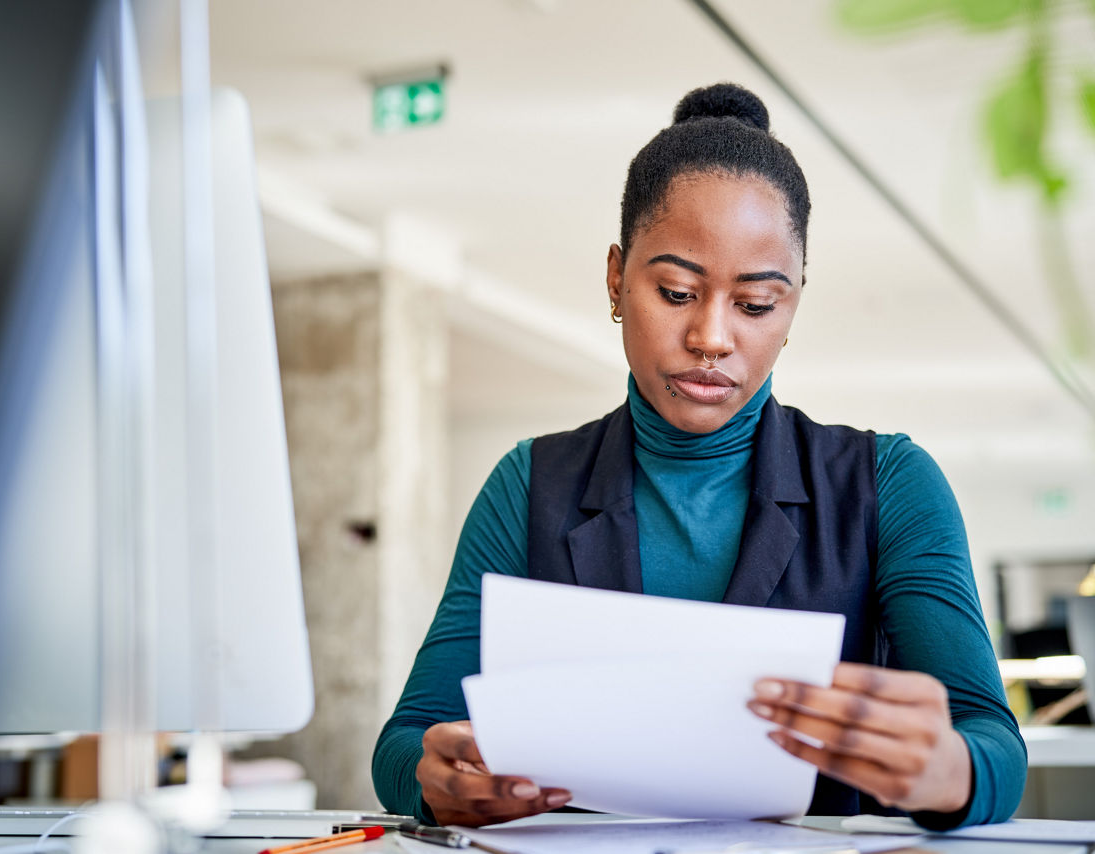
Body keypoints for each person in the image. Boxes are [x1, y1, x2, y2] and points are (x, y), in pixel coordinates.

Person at [372, 82, 1026, 830]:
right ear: (617, 277)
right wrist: (435, 778)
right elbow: (405, 744)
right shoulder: (528, 485)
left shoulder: (888, 483)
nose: (713, 337)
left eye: (755, 305)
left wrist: (952, 772)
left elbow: (994, 746)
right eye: (678, 292)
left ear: (794, 302)